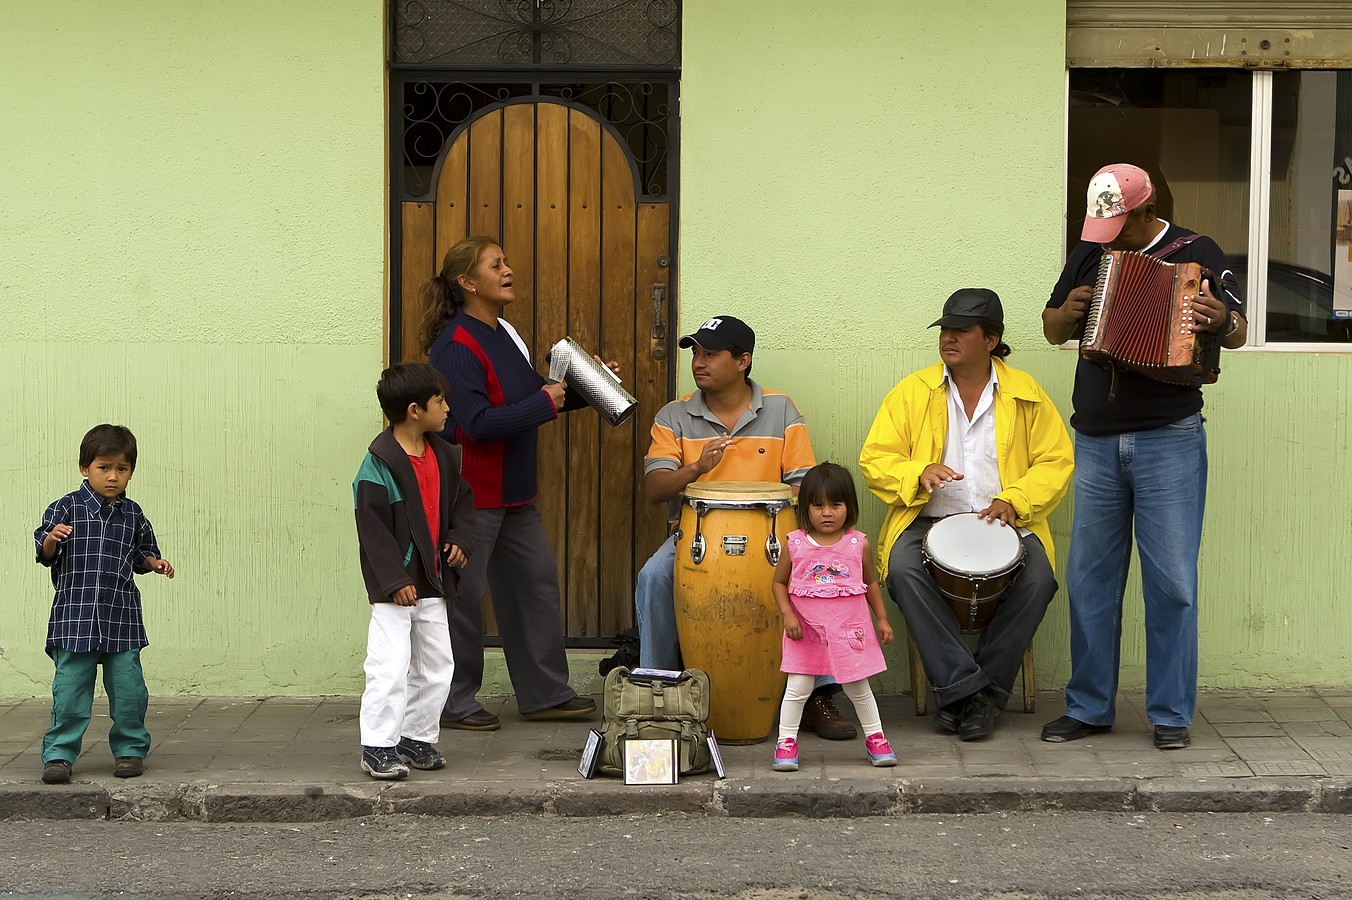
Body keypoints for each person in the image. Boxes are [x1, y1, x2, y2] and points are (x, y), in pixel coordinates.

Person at [1041, 163, 1247, 750]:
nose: (1107, 236)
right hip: (1098, 439)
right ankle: (1088, 707)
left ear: (1142, 209)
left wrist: (1222, 318)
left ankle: (1171, 715)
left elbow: (1235, 332)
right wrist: (1070, 313)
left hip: (1169, 436)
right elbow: (1052, 328)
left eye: (1117, 224)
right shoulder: (1089, 252)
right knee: (1090, 580)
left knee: (1173, 582)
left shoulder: (1195, 251)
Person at [860, 289, 1073, 741]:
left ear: (991, 339)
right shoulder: (912, 393)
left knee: (1040, 580)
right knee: (900, 571)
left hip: (1010, 521)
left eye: (961, 331)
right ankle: (974, 692)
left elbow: (1056, 462)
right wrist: (918, 472)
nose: (949, 338)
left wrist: (1014, 498)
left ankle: (969, 694)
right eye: (945, 330)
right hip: (925, 521)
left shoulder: (1026, 394)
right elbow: (875, 458)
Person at [634, 316, 858, 741]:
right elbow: (654, 489)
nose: (698, 363)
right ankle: (659, 697)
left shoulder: (781, 409)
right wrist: (698, 468)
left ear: (742, 361)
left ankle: (817, 695)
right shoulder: (674, 415)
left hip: (774, 535)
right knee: (654, 577)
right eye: (695, 354)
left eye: (710, 354)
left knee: (818, 575)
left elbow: (801, 483)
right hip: (697, 537)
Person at [422, 236, 602, 731]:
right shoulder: (456, 345)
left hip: (517, 495)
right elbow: (476, 423)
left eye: (506, 260)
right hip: (472, 497)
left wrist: (591, 388)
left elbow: (532, 398)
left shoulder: (505, 332)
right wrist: (544, 403)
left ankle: (544, 694)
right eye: (495, 264)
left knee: (535, 590)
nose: (509, 270)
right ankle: (453, 701)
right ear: (467, 283)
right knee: (461, 598)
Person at [353, 363, 476, 779]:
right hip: (396, 589)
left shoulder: (445, 456)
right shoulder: (378, 466)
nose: (446, 408)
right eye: (439, 401)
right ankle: (378, 745)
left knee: (437, 664)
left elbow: (462, 505)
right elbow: (373, 533)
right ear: (414, 410)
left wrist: (460, 539)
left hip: (433, 582)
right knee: (389, 666)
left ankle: (416, 737)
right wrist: (394, 581)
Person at [35, 424, 175, 785]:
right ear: (85, 468)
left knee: (130, 691)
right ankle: (59, 756)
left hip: (121, 618)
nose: (113, 477)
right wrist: (52, 539)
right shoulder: (66, 508)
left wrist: (154, 563)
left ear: (131, 471)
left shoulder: (133, 514)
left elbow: (143, 552)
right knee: (69, 693)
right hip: (74, 618)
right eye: (104, 468)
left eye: (122, 469)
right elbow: (45, 553)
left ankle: (130, 749)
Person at [770, 462, 897, 771]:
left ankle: (876, 738)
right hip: (805, 632)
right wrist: (788, 614)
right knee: (798, 688)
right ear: (805, 509)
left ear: (848, 507)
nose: (827, 513)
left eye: (835, 505)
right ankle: (786, 742)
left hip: (849, 633)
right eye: (818, 506)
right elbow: (778, 583)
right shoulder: (795, 545)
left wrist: (881, 618)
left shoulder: (858, 544)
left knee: (858, 688)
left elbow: (871, 583)